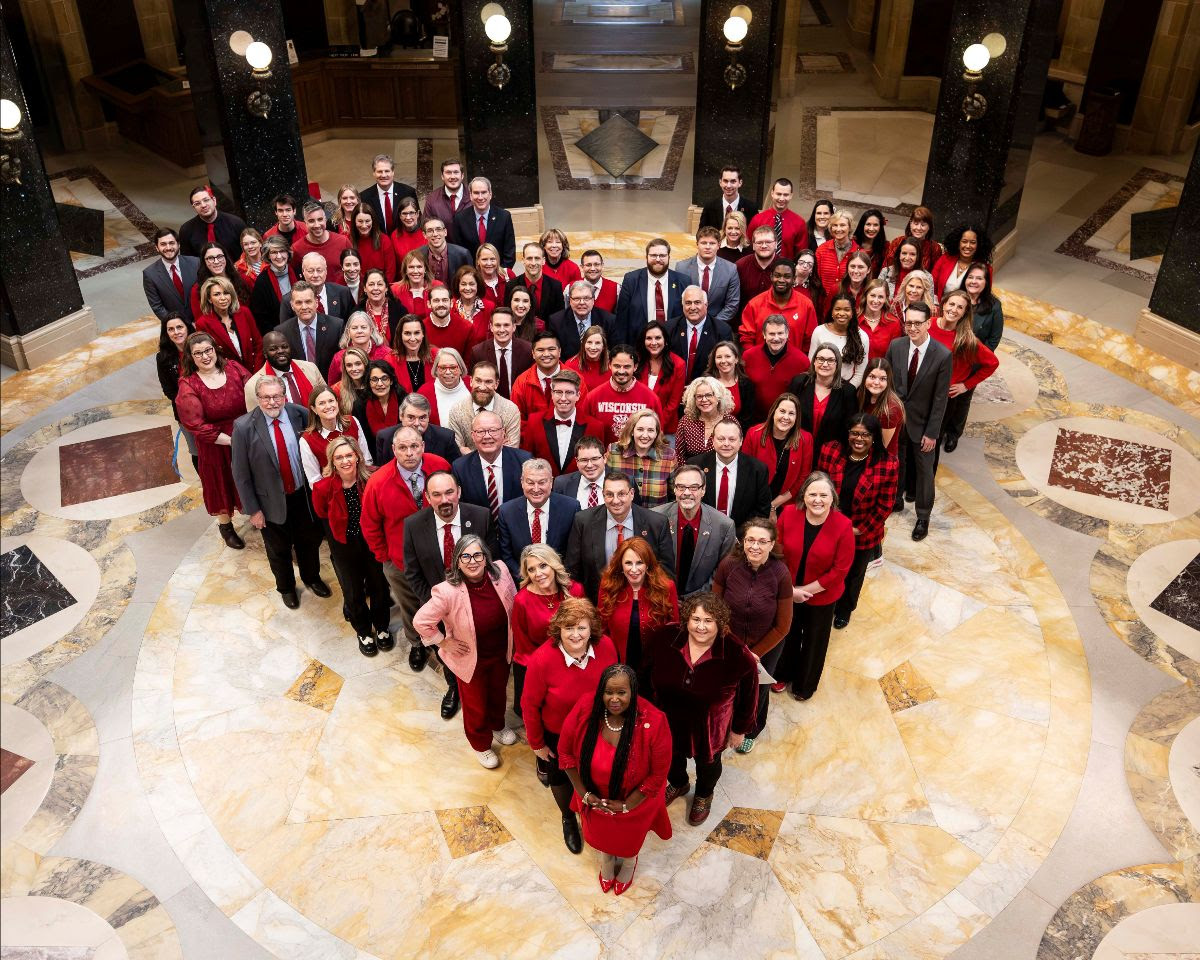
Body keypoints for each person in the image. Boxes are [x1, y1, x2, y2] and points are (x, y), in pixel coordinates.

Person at [557, 663, 673, 893]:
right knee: (601, 836)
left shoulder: (654, 722)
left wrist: (626, 806)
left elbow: (658, 774)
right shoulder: (585, 708)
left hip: (636, 802)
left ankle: (629, 862)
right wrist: (585, 794)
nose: (614, 699)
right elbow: (565, 753)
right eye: (608, 692)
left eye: (622, 692)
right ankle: (607, 861)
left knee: (629, 841)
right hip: (594, 798)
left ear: (633, 692)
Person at [521, 596, 617, 854]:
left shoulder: (606, 646)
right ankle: (567, 816)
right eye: (569, 628)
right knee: (561, 777)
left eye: (582, 628)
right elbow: (529, 706)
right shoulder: (542, 660)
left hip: (598, 729)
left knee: (594, 774)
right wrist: (537, 744)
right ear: (558, 629)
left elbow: (616, 686)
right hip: (558, 734)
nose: (575, 635)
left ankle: (594, 813)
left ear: (591, 629)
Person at [651, 591, 757, 825]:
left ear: (720, 623)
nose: (701, 627)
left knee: (708, 764)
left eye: (708, 621)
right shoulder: (665, 638)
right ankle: (679, 783)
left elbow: (750, 695)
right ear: (686, 619)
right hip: (670, 718)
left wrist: (739, 730)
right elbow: (645, 673)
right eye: (696, 619)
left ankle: (703, 794)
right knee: (671, 757)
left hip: (710, 726)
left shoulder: (736, 653)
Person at [413, 535, 518, 768]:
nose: (472, 561)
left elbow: (515, 600)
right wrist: (443, 642)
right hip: (470, 658)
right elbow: (421, 621)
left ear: (486, 557)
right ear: (457, 561)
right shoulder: (447, 591)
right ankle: (481, 744)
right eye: (466, 556)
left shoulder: (500, 571)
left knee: (498, 693)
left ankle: (498, 725)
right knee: (476, 704)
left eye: (478, 555)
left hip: (501, 651)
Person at [230, 376, 331, 608]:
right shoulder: (243, 427)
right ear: (258, 399)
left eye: (277, 396)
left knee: (309, 542)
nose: (272, 402)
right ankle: (286, 588)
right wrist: (253, 510)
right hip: (270, 502)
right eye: (266, 397)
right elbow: (241, 474)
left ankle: (311, 578)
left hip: (302, 496)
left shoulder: (300, 415)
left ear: (284, 396)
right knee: (278, 549)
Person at [403, 469, 493, 717]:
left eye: (449, 492)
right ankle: (454, 687)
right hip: (439, 607)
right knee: (446, 651)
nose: (444, 500)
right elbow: (413, 572)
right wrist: (437, 606)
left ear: (459, 492)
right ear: (428, 497)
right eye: (437, 494)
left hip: (476, 604)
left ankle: (483, 690)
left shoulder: (481, 517)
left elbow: (491, 562)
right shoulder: (413, 525)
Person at [363, 427, 453, 652]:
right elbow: (370, 524)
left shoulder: (440, 466)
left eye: (414, 446)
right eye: (403, 447)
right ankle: (417, 645)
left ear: (422, 446)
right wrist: (386, 558)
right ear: (394, 450)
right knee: (411, 607)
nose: (410, 453)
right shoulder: (378, 482)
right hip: (400, 562)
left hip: (441, 555)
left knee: (443, 603)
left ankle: (444, 641)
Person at [711, 518, 792, 753]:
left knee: (758, 689)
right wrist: (735, 645)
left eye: (762, 541)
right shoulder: (728, 565)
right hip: (730, 640)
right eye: (750, 540)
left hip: (767, 644)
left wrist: (754, 653)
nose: (755, 546)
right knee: (729, 685)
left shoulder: (781, 574)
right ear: (742, 542)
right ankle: (729, 722)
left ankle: (752, 729)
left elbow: (783, 625)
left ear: (772, 544)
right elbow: (715, 608)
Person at [774, 472, 854, 699]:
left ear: (832, 498)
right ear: (804, 496)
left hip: (821, 597)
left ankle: (804, 685)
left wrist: (804, 592)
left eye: (823, 495)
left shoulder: (843, 526)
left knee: (814, 642)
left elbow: (840, 571)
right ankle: (782, 673)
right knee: (787, 634)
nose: (817, 500)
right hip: (788, 590)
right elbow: (777, 552)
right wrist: (790, 591)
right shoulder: (789, 514)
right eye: (812, 494)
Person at [817, 415, 898, 629]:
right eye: (854, 433)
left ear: (874, 438)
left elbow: (885, 505)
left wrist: (857, 530)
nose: (858, 438)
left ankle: (845, 609)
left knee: (854, 574)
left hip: (862, 531)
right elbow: (819, 487)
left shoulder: (887, 464)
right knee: (827, 567)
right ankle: (827, 604)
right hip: (829, 524)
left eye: (865, 434)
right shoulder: (830, 451)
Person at [312, 436, 392, 655]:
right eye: (339, 457)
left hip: (372, 541)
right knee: (353, 590)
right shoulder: (322, 487)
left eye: (349, 455)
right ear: (332, 462)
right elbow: (321, 514)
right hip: (344, 545)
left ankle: (382, 626)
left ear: (357, 456)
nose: (345, 461)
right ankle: (364, 631)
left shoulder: (373, 478)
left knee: (379, 585)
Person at [176, 332, 249, 549]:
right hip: (216, 445)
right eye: (198, 353)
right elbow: (195, 424)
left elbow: (255, 393)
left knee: (250, 479)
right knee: (221, 484)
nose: (205, 356)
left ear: (215, 349)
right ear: (190, 357)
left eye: (208, 350)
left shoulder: (235, 369)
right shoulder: (189, 385)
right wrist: (230, 441)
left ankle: (258, 514)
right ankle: (225, 526)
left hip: (244, 436)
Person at [885, 302, 952, 540]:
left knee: (924, 473)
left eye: (917, 323)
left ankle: (923, 516)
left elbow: (940, 398)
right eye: (908, 322)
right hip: (897, 421)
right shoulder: (896, 346)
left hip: (924, 425)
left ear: (928, 323)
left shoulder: (942, 355)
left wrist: (932, 433)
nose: (912, 327)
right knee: (896, 462)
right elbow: (887, 384)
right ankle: (896, 499)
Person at [565, 470, 674, 601]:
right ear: (603, 495)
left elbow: (666, 572)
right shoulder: (583, 521)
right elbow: (573, 571)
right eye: (610, 494)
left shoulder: (656, 523)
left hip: (644, 603)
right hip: (597, 603)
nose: (615, 501)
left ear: (632, 494)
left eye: (621, 494)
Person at [510, 545, 585, 714]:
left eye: (543, 565)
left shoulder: (575, 590)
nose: (538, 574)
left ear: (553, 564)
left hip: (573, 661)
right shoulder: (522, 600)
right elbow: (523, 646)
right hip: (537, 666)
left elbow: (584, 631)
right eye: (531, 569)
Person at [596, 534, 679, 678]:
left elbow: (674, 630)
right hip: (618, 666)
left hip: (655, 667)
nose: (634, 570)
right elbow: (601, 629)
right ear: (620, 564)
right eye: (628, 563)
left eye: (639, 562)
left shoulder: (666, 587)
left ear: (648, 564)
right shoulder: (608, 586)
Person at [930, 290, 999, 454]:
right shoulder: (928, 325)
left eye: (960, 307)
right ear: (944, 304)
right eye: (951, 304)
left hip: (945, 397)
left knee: (934, 439)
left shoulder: (967, 339)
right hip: (923, 390)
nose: (954, 309)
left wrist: (966, 385)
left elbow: (992, 363)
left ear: (965, 313)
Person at [654, 463, 736, 597]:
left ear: (703, 490)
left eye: (694, 487)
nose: (687, 493)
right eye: (681, 487)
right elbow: (650, 564)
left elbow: (723, 572)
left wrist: (694, 599)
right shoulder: (656, 518)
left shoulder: (724, 526)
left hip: (702, 602)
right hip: (662, 597)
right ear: (674, 490)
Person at [498, 459, 580, 577]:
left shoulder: (571, 508)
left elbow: (574, 555)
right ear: (522, 482)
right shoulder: (507, 512)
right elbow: (507, 556)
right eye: (530, 483)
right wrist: (529, 578)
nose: (536, 489)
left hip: (560, 580)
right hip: (524, 582)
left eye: (542, 482)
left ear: (551, 482)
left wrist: (556, 578)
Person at [689, 418, 772, 528]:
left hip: (741, 536)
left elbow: (762, 510)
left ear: (741, 441)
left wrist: (739, 535)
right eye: (721, 439)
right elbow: (688, 502)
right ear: (713, 440)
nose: (726, 444)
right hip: (701, 532)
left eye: (732, 439)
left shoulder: (757, 469)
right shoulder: (695, 465)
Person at [789, 343, 860, 469]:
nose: (825, 364)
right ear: (814, 361)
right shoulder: (799, 383)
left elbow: (849, 429)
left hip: (830, 456)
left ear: (837, 364)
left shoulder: (847, 392)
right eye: (821, 359)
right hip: (797, 449)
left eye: (830, 360)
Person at [579, 344, 663, 447]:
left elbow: (658, 435)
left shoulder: (651, 398)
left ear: (635, 367)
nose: (621, 371)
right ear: (609, 365)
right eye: (617, 366)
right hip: (602, 460)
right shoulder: (592, 398)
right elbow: (583, 435)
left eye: (627, 366)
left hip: (638, 460)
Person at [451, 410, 532, 517]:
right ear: (473, 435)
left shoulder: (523, 461)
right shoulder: (460, 467)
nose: (487, 436)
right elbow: (462, 508)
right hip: (478, 530)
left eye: (493, 430)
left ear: (503, 432)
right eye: (480, 431)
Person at [743, 393, 813, 515]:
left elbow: (803, 477)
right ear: (773, 412)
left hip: (787, 505)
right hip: (754, 502)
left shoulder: (806, 439)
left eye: (791, 413)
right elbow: (744, 470)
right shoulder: (753, 434)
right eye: (782, 411)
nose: (786, 417)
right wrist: (764, 506)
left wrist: (773, 506)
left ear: (797, 418)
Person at [523, 370, 602, 476]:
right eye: (559, 392)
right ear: (552, 394)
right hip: (544, 489)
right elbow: (527, 461)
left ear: (578, 395)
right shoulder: (534, 421)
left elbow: (598, 466)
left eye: (569, 392)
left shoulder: (595, 426)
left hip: (577, 490)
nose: (563, 398)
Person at [615, 238, 688, 344]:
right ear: (646, 257)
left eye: (662, 255)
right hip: (639, 346)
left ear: (669, 257)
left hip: (673, 345)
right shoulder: (631, 280)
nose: (658, 259)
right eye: (653, 255)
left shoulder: (683, 281)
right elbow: (621, 320)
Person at [739, 259, 818, 352]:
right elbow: (746, 338)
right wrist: (756, 359)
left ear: (794, 279)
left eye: (787, 276)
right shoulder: (754, 304)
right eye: (777, 276)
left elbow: (810, 340)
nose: (781, 280)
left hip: (794, 363)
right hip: (761, 363)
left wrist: (800, 360)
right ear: (771, 277)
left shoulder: (806, 305)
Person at [299, 386, 373, 485]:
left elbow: (366, 459)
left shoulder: (352, 422)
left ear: (337, 402)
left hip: (361, 483)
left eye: (331, 401)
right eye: (321, 403)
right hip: (333, 493)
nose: (328, 406)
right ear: (314, 409)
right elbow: (315, 480)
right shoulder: (307, 440)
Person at [605, 408, 676, 507]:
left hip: (655, 518)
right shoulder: (614, 452)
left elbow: (674, 495)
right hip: (621, 517)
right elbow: (605, 488)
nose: (645, 435)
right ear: (632, 431)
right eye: (640, 429)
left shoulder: (668, 456)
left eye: (651, 430)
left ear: (656, 433)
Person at [447, 361, 522, 452]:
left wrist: (468, 452)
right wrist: (498, 447)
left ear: (496, 384)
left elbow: (511, 450)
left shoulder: (510, 410)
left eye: (488, 382)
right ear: (471, 381)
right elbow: (456, 450)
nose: (482, 387)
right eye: (478, 381)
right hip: (469, 466)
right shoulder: (456, 410)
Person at [667, 285, 733, 385]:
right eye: (688, 303)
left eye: (697, 302)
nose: (692, 307)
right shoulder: (669, 328)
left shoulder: (722, 330)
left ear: (706, 304)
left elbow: (725, 367)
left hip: (708, 390)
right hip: (675, 386)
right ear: (683, 306)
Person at [156, 313, 198, 468]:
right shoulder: (163, 358)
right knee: (197, 452)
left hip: (212, 405)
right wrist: (190, 402)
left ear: (187, 327)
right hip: (185, 413)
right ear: (166, 333)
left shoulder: (201, 347)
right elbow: (168, 390)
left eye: (179, 327)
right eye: (171, 329)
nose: (176, 332)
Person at [244, 330, 325, 410]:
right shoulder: (252, 385)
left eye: (284, 347)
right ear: (265, 354)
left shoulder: (311, 368)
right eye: (273, 349)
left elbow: (326, 399)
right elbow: (256, 420)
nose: (280, 351)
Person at [675, 229, 740, 328]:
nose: (707, 247)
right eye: (703, 243)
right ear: (697, 244)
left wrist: (712, 324)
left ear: (718, 245)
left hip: (717, 325)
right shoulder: (681, 268)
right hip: (688, 324)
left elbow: (732, 304)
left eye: (712, 243)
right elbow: (678, 300)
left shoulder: (730, 269)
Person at [374, 392, 460, 466]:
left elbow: (455, 470)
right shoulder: (384, 437)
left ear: (428, 417)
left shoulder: (445, 437)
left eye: (422, 418)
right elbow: (383, 472)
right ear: (401, 416)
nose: (416, 423)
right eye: (411, 417)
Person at [742, 314, 810, 407]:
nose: (776, 338)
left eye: (780, 333)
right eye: (772, 334)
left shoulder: (802, 361)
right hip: (753, 418)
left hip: (784, 418)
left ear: (787, 334)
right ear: (764, 334)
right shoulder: (748, 357)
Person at [278, 281, 345, 375]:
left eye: (308, 301)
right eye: (298, 303)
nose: (304, 307)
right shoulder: (282, 332)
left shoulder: (336, 326)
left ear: (316, 302)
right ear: (292, 305)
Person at [510, 331, 579, 422]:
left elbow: (582, 417)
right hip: (532, 435)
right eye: (540, 350)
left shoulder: (577, 380)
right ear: (533, 354)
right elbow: (517, 421)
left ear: (559, 352)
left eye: (551, 349)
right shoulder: (521, 382)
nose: (546, 354)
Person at [451, 176, 517, 267]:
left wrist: (500, 274)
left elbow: (510, 252)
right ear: (470, 195)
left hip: (498, 274)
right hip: (471, 276)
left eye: (484, 192)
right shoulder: (460, 219)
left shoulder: (504, 217)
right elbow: (459, 253)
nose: (480, 197)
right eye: (476, 193)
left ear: (490, 194)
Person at [808, 292, 871, 387]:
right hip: (819, 385)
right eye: (837, 309)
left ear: (853, 312)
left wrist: (847, 390)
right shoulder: (819, 331)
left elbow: (860, 373)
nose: (841, 313)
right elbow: (811, 364)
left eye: (846, 310)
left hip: (845, 387)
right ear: (832, 311)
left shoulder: (862, 337)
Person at [470, 307, 531, 399]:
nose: (502, 330)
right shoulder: (478, 352)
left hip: (520, 404)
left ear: (513, 327)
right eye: (498, 325)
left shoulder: (527, 350)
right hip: (489, 405)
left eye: (506, 325)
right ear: (491, 327)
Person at [635, 321, 685, 435]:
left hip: (666, 429)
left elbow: (673, 404)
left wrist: (657, 428)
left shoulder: (678, 364)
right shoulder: (635, 360)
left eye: (658, 338)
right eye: (649, 338)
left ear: (665, 340)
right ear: (643, 341)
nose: (653, 342)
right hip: (636, 426)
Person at [549, 280, 616, 363]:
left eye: (586, 298)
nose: (582, 303)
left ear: (593, 300)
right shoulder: (556, 321)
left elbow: (613, 351)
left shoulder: (608, 320)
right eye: (577, 299)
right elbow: (555, 353)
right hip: (568, 370)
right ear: (570, 300)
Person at [280, 252, 357, 323]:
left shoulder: (343, 293)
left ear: (326, 271)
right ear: (303, 272)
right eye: (311, 271)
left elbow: (352, 323)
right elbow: (286, 332)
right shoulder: (288, 299)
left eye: (319, 270)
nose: (315, 275)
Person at [351, 357, 406, 455]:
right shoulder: (359, 406)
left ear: (391, 380)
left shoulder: (404, 400)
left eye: (384, 378)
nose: (380, 384)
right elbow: (360, 439)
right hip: (373, 457)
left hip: (404, 452)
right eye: (374, 379)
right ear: (369, 382)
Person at [675, 377, 738, 461]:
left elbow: (735, 454)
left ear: (718, 397)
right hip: (691, 471)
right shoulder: (686, 421)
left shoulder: (730, 422)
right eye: (699, 396)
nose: (704, 400)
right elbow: (680, 456)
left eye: (709, 395)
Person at [859, 357, 906, 468]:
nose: (876, 382)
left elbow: (881, 446)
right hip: (864, 451)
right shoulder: (862, 395)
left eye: (882, 379)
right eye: (872, 377)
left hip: (881, 460)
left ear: (888, 381)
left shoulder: (890, 410)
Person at [144, 228, 199, 322]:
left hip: (201, 320)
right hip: (176, 328)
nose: (168, 248)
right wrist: (179, 324)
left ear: (179, 245)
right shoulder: (150, 274)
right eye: (163, 244)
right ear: (157, 248)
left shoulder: (196, 263)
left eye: (171, 243)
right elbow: (157, 307)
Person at [290, 202, 352, 286]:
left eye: (320, 219)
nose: (317, 225)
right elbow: (292, 277)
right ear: (305, 222)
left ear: (325, 219)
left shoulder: (343, 242)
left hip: (341, 296)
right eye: (311, 221)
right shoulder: (297, 249)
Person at [179, 184, 246, 259]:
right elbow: (187, 261)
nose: (203, 205)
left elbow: (247, 253)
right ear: (194, 207)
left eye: (206, 200)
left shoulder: (236, 223)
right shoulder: (186, 230)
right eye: (197, 203)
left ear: (214, 200)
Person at [327, 310, 394, 384]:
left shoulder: (386, 353)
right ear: (348, 332)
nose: (359, 331)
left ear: (371, 330)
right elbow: (333, 387)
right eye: (354, 328)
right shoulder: (339, 357)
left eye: (363, 327)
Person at [189, 242, 251, 322]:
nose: (216, 261)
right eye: (210, 258)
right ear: (204, 262)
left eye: (220, 257)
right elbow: (200, 321)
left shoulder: (243, 279)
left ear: (226, 258)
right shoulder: (198, 289)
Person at [747, 178, 807, 260]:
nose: (781, 198)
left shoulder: (799, 223)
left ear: (791, 195)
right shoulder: (757, 219)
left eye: (785, 195)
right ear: (772, 193)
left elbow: (801, 254)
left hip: (786, 270)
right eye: (778, 194)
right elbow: (748, 247)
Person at [508, 242, 565, 324]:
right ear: (523, 260)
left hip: (547, 334)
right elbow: (509, 316)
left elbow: (559, 318)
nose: (533, 263)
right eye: (529, 258)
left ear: (543, 261)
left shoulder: (555, 286)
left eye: (537, 258)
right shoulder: (511, 286)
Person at [703, 340, 756, 428]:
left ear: (736, 359)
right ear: (714, 360)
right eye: (719, 357)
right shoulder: (706, 382)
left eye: (728, 356)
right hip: (708, 430)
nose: (723, 361)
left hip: (736, 432)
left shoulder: (746, 384)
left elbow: (748, 418)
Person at [360, 153, 417, 235]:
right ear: (374, 173)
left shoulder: (408, 192)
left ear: (393, 172)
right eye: (379, 171)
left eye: (387, 171)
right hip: (379, 244)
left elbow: (416, 219)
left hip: (404, 242)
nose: (383, 175)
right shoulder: (364, 196)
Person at [932, 224, 993, 300]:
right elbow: (932, 285)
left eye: (973, 242)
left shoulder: (985, 269)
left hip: (968, 310)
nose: (968, 246)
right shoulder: (945, 259)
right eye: (964, 241)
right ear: (958, 243)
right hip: (939, 307)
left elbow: (984, 296)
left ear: (979, 245)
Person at [250, 235, 296, 335]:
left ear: (288, 253)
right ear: (268, 256)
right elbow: (261, 318)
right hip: (278, 334)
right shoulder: (262, 282)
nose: (279, 256)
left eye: (282, 251)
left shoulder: (298, 272)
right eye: (274, 252)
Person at [417, 346, 471, 426]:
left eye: (453, 367)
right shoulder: (424, 392)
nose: (448, 372)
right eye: (443, 368)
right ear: (436, 370)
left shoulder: (472, 384)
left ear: (461, 368)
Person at [554, 435, 609, 511]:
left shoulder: (624, 481)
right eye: (584, 460)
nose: (589, 465)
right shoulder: (562, 484)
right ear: (577, 461)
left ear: (605, 458)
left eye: (594, 459)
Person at [884, 205, 944, 273]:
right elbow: (886, 269)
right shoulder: (897, 242)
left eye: (923, 225)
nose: (918, 228)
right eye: (916, 223)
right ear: (910, 224)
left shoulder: (935, 248)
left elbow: (934, 275)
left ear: (929, 227)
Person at [349, 203, 397, 285]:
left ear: (373, 221)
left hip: (381, 289)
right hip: (357, 288)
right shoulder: (348, 241)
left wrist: (382, 289)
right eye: (360, 221)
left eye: (367, 221)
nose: (364, 225)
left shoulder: (384, 240)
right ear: (354, 222)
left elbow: (390, 271)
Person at [448, 264, 493, 353]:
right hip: (455, 359)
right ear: (458, 286)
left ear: (478, 285)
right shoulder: (450, 306)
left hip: (482, 358)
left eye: (471, 284)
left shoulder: (489, 307)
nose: (467, 288)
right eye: (463, 284)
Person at [699, 165, 759, 229]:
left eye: (733, 181)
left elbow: (754, 235)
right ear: (720, 182)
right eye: (725, 181)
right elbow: (701, 234)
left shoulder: (751, 208)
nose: (728, 185)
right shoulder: (710, 207)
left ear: (740, 183)